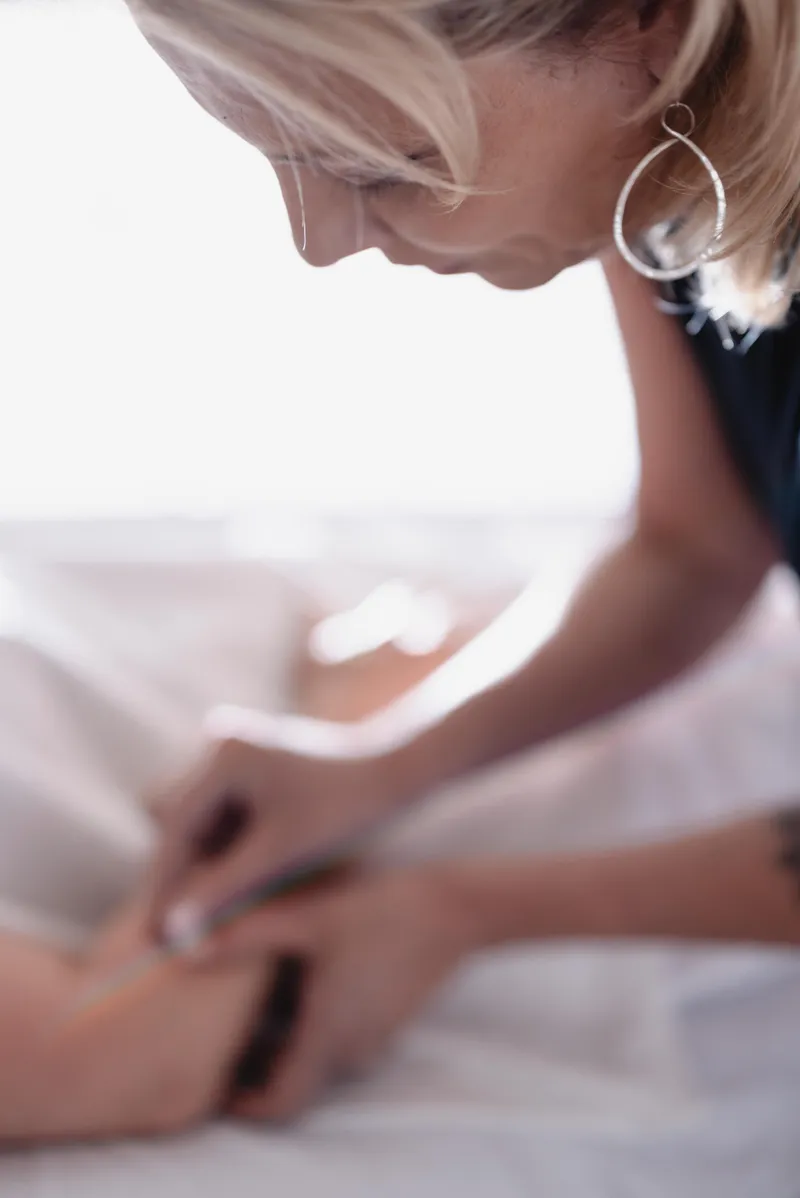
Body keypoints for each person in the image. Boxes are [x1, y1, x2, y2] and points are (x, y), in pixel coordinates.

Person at [122, 0, 800, 1122]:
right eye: (277, 150)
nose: (319, 241)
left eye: (387, 163)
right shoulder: (663, 141)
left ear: (652, 20)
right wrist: (378, 764)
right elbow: (693, 542)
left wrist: (458, 911)